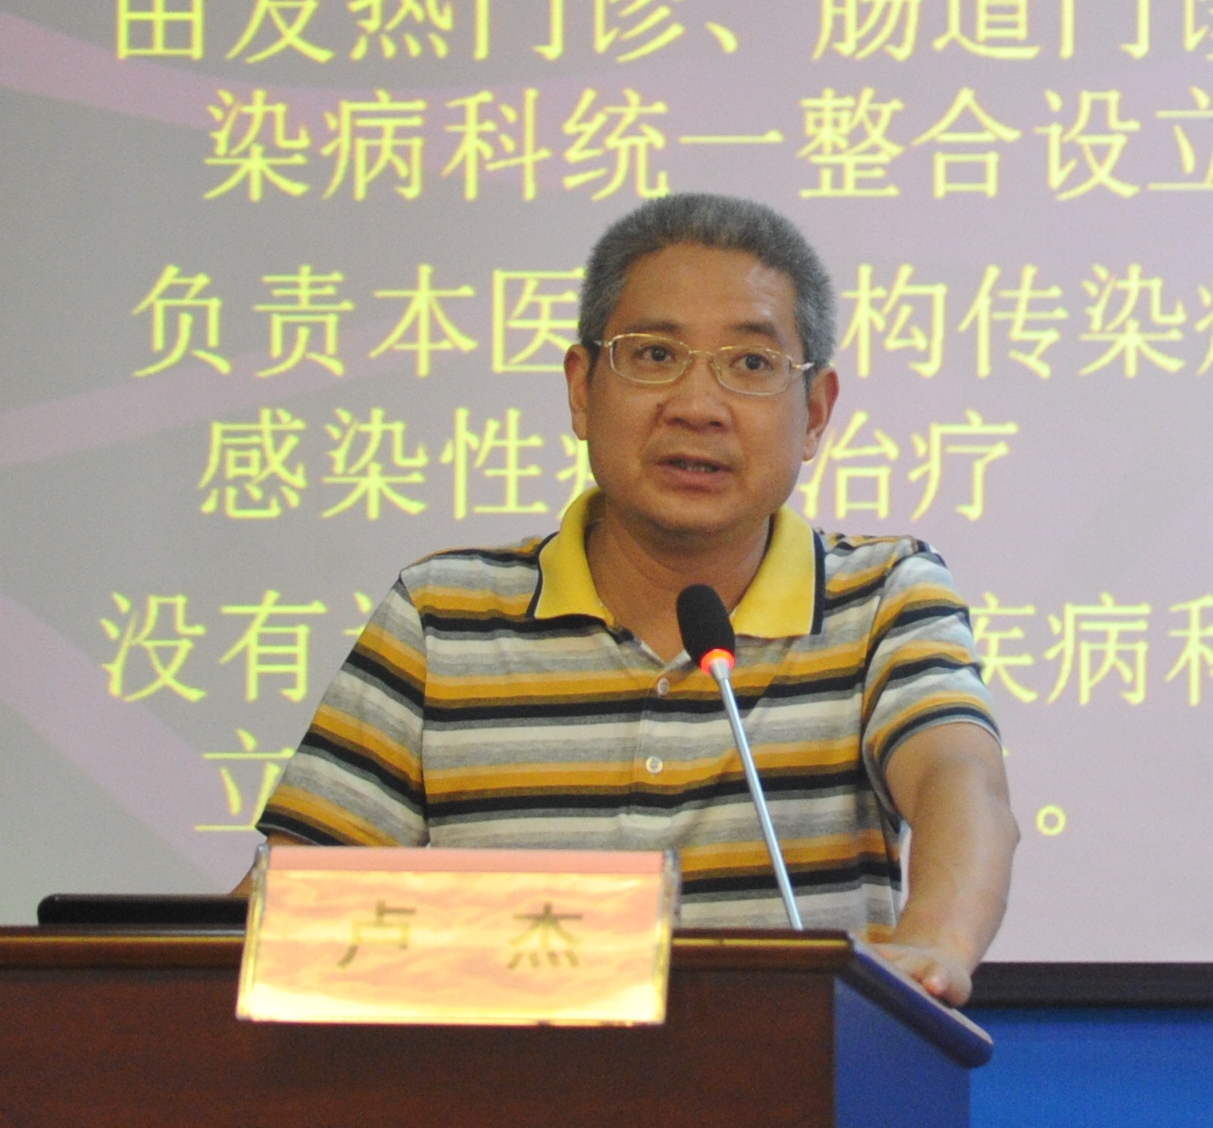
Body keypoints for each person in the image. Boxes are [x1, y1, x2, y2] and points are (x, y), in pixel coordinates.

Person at [241, 194, 1018, 1006]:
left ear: (815, 414)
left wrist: (934, 945)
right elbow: (288, 910)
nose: (696, 406)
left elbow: (960, 780)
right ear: (581, 390)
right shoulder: (442, 617)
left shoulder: (879, 599)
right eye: (652, 355)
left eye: (751, 365)